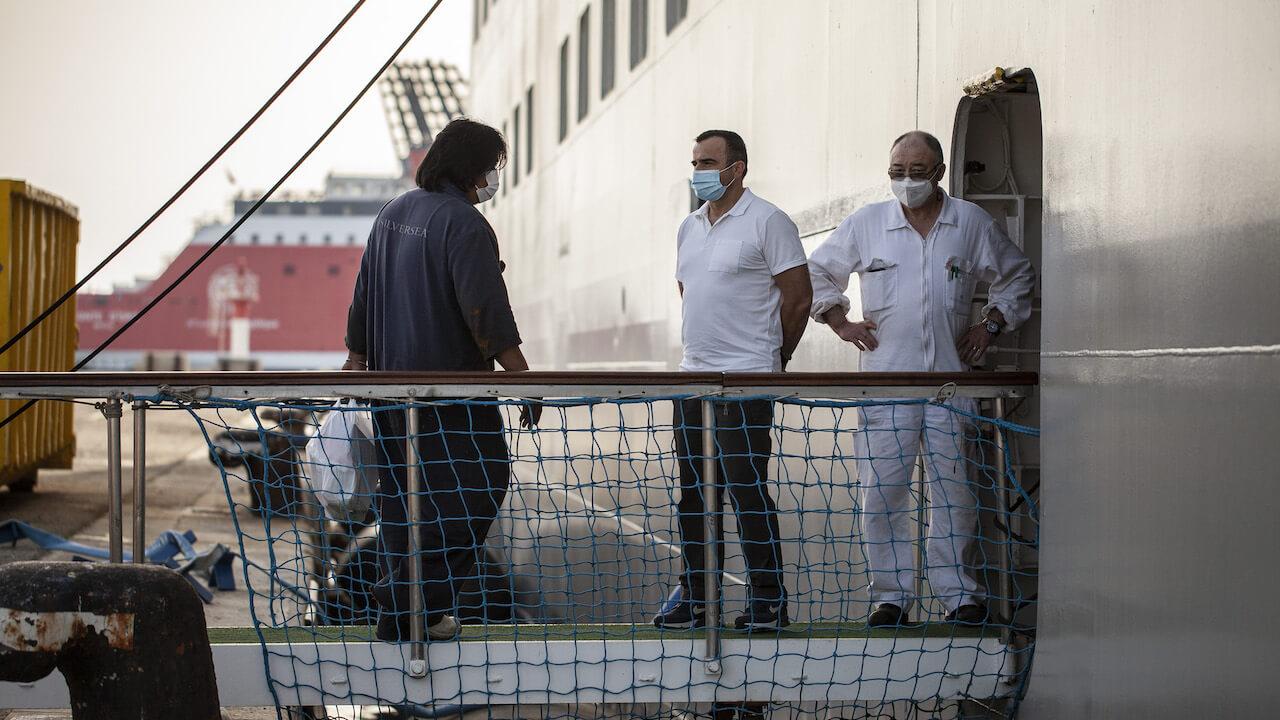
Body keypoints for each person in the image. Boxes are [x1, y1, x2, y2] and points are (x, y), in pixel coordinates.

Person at [807, 130, 1035, 627]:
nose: (905, 181)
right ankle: (890, 597)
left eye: (915, 172)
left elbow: (1017, 274)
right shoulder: (867, 225)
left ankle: (959, 594)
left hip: (951, 385)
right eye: (896, 172)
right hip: (887, 385)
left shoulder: (968, 224)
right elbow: (817, 274)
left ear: (938, 173)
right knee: (882, 492)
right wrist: (838, 321)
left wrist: (992, 322)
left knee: (956, 491)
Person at [343, 117, 539, 642]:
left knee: (403, 501)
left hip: (388, 395)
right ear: (473, 166)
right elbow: (486, 311)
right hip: (452, 397)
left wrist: (355, 361)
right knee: (478, 487)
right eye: (494, 166)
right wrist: (522, 379)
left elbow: (363, 293)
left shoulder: (392, 214)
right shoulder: (464, 222)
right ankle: (419, 607)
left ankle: (399, 610)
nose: (495, 177)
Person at [653, 129, 813, 632]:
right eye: (695, 161)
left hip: (745, 384)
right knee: (694, 494)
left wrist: (774, 358)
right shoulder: (689, 227)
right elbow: (689, 291)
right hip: (692, 381)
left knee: (746, 492)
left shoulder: (768, 221)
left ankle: (768, 600)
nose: (699, 171)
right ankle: (697, 596)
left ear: (737, 167)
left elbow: (799, 298)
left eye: (708, 161)